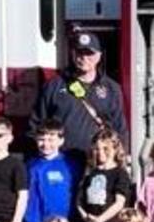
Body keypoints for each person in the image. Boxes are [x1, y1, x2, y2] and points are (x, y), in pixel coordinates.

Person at [30, 31, 128, 161]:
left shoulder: (111, 88)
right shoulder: (54, 86)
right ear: (73, 54)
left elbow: (119, 128)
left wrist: (122, 156)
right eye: (80, 53)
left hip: (98, 160)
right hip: (61, 161)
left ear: (99, 56)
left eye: (89, 53)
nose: (84, 58)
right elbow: (36, 123)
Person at [23, 117, 76, 222]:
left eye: (51, 139)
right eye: (41, 139)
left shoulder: (70, 165)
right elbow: (27, 198)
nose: (46, 144)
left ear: (61, 140)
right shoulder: (30, 166)